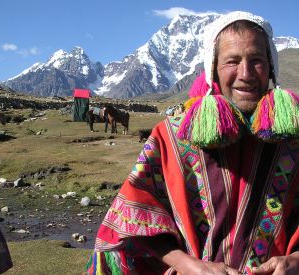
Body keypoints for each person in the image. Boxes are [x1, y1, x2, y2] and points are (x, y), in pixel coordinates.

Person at [86, 11, 299, 275]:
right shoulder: (171, 137)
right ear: (213, 69)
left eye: (256, 60)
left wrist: (295, 261)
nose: (245, 73)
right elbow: (130, 221)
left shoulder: (293, 142)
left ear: (271, 68)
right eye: (232, 61)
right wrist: (189, 265)